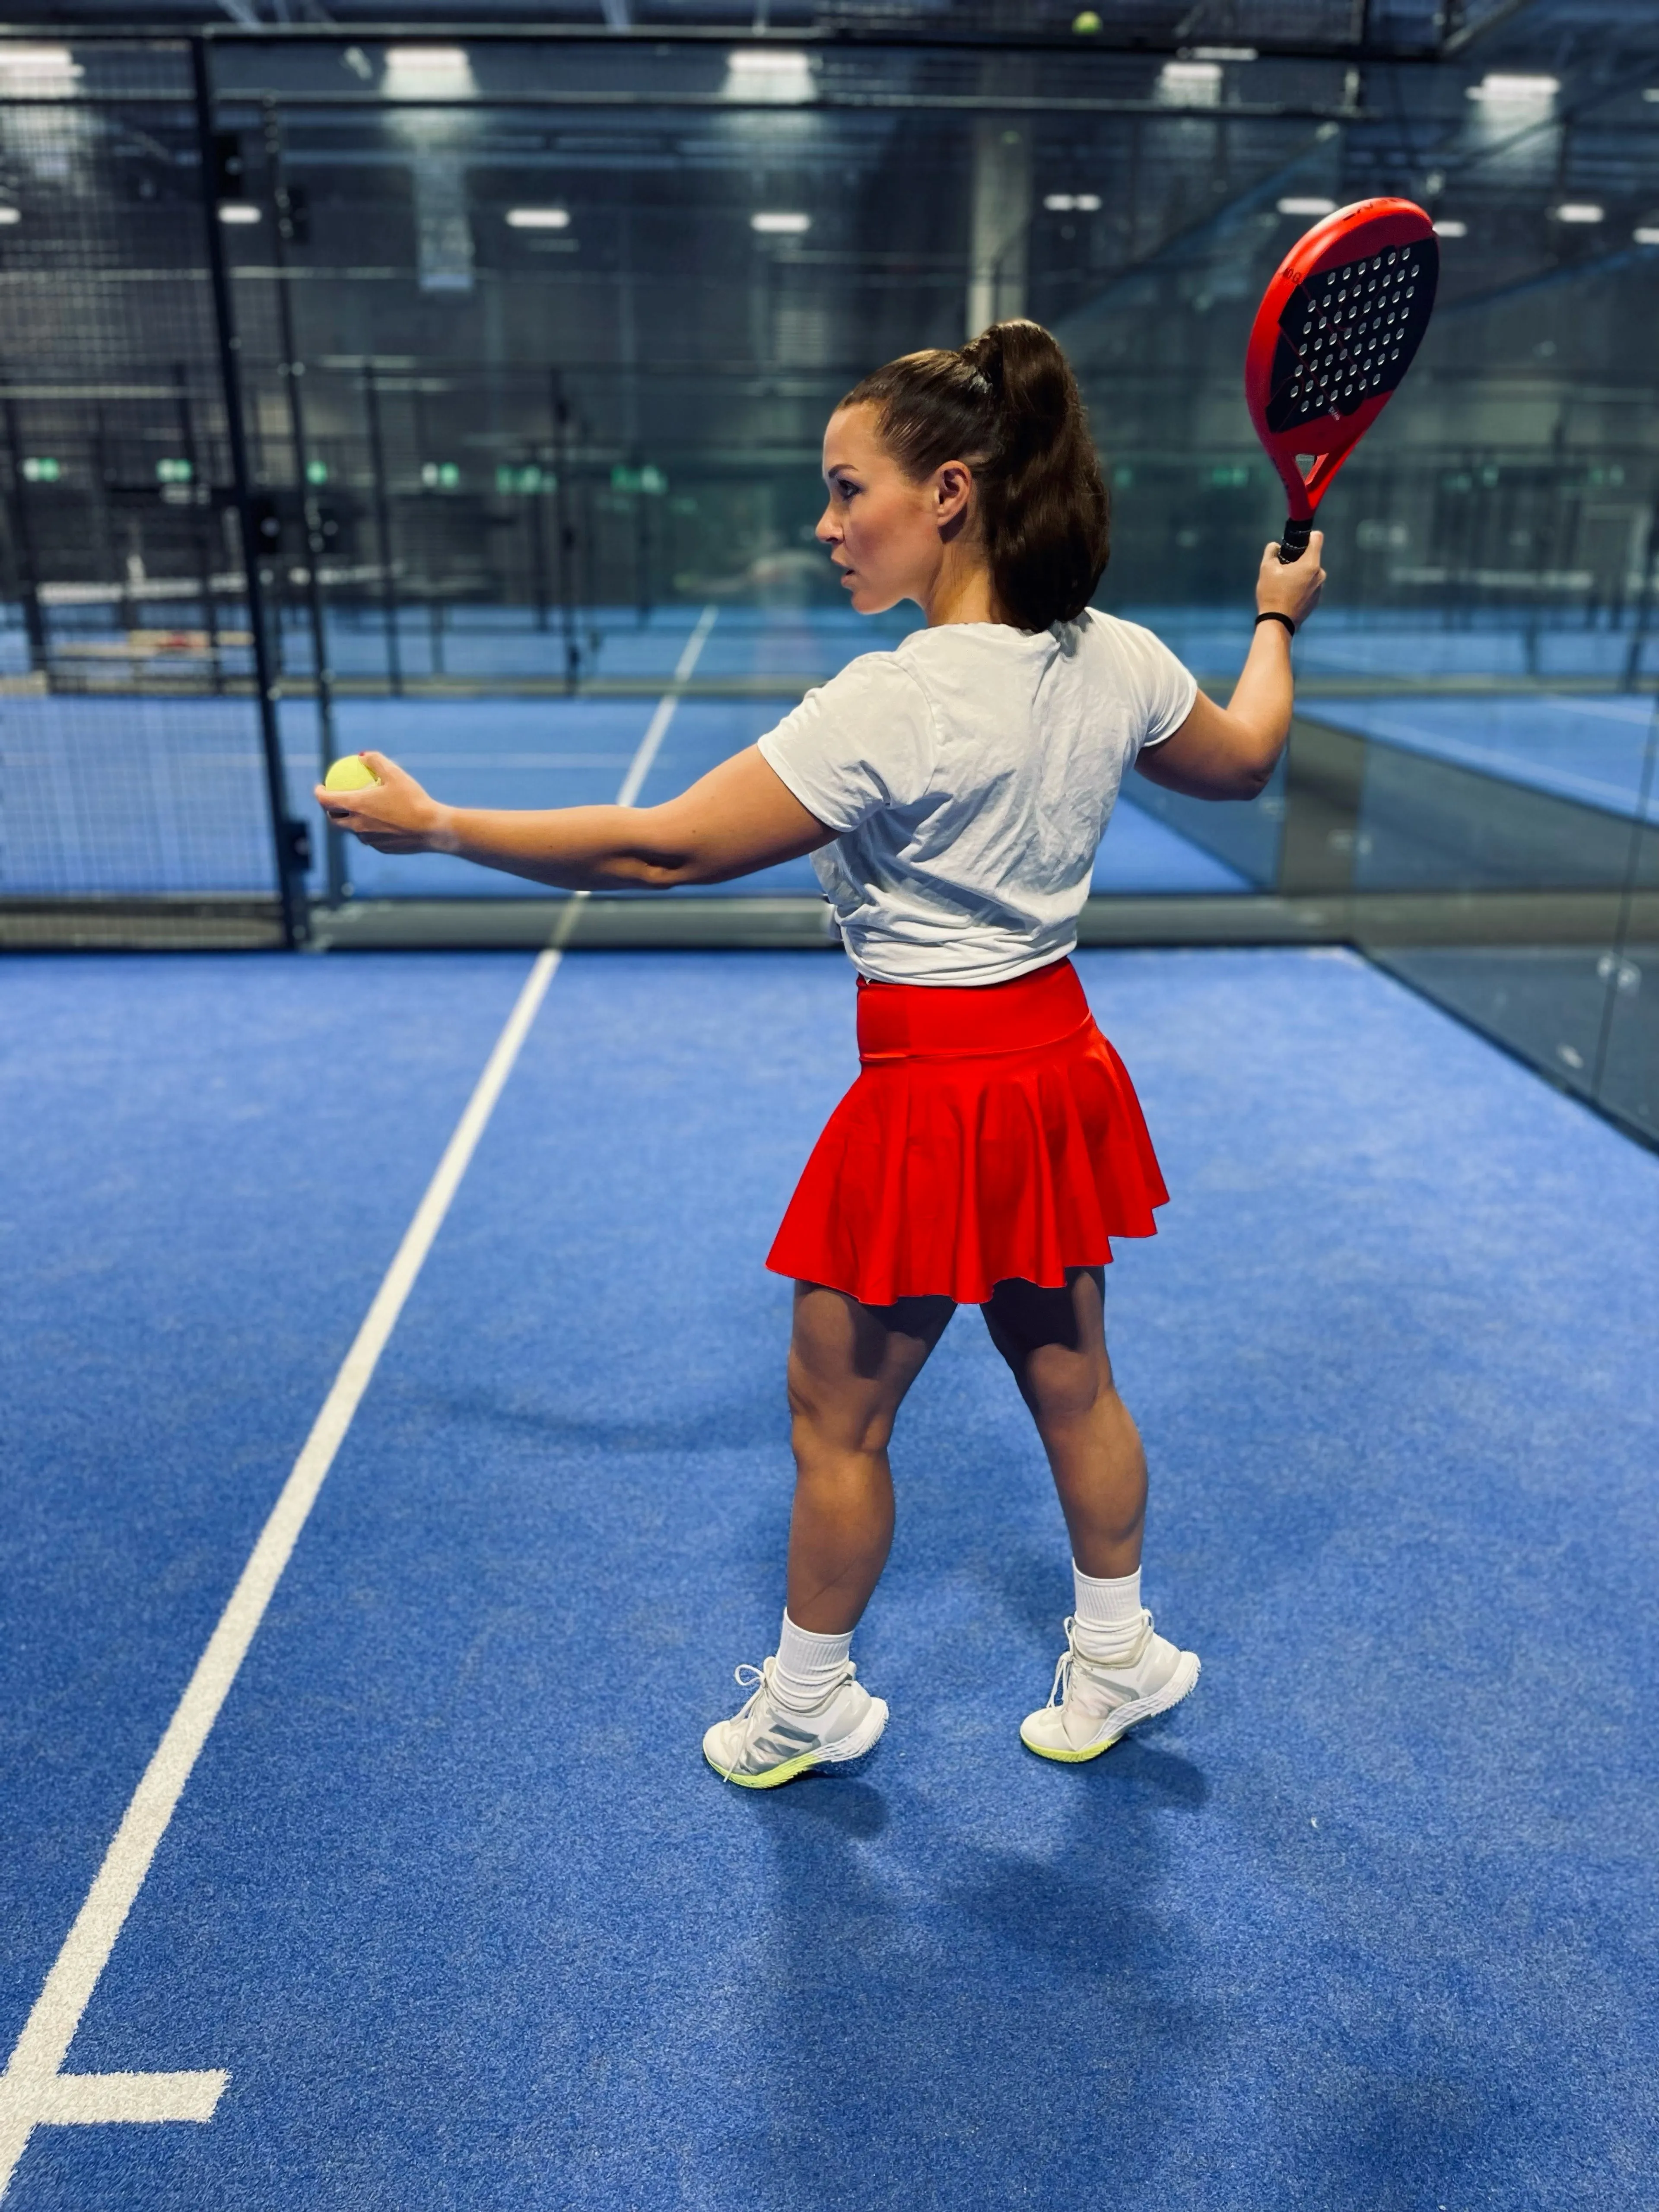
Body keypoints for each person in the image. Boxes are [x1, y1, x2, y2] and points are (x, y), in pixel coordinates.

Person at [317, 319, 1325, 1791]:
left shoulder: (896, 700)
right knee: (1072, 1381)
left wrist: (441, 829)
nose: (828, 522)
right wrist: (1277, 615)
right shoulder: (1116, 658)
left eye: (850, 489)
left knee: (835, 1416)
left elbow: (660, 851)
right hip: (1058, 1068)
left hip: (937, 1092)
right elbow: (1244, 759)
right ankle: (1121, 1651)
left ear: (953, 494)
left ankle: (809, 1703)